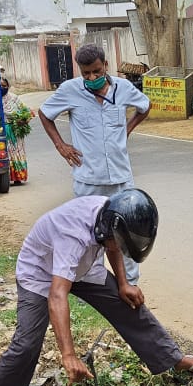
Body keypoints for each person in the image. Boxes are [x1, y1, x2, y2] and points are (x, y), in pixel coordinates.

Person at [0, 190, 193, 386]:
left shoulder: (111, 212)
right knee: (26, 344)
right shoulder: (71, 235)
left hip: (84, 267)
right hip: (39, 273)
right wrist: (69, 355)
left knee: (127, 303)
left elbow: (113, 246)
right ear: (107, 230)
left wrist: (124, 283)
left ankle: (173, 359)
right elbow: (57, 294)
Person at [40, 44, 151, 285]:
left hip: (121, 179)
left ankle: (130, 284)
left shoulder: (123, 88)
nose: (91, 77)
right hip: (88, 181)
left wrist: (127, 130)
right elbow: (45, 113)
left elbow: (144, 106)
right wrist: (61, 145)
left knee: (126, 233)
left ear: (106, 66)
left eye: (96, 72)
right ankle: (96, 285)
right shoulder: (70, 91)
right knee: (91, 236)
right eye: (86, 73)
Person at [1, 78, 30, 184]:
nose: (2, 88)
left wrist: (23, 121)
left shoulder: (14, 98)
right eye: (0, 86)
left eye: (4, 86)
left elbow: (27, 113)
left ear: (8, 86)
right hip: (1, 131)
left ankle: (18, 177)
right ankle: (6, 178)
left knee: (16, 152)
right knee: (4, 153)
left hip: (14, 131)